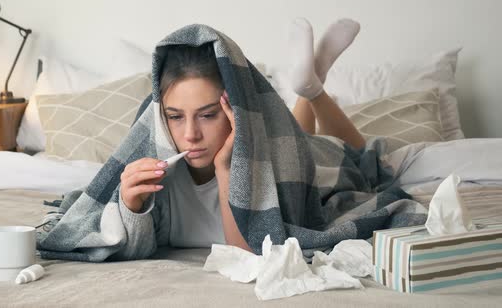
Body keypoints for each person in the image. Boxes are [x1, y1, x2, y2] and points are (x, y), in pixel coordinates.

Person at [118, 18, 366, 252]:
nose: (190, 135)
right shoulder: (158, 174)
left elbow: (247, 253)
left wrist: (224, 169)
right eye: (175, 117)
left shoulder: (273, 161)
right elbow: (130, 248)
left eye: (207, 115)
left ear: (234, 110)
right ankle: (309, 83)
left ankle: (311, 88)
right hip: (291, 144)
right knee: (301, 137)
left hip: (301, 158)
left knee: (357, 154)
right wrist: (131, 207)